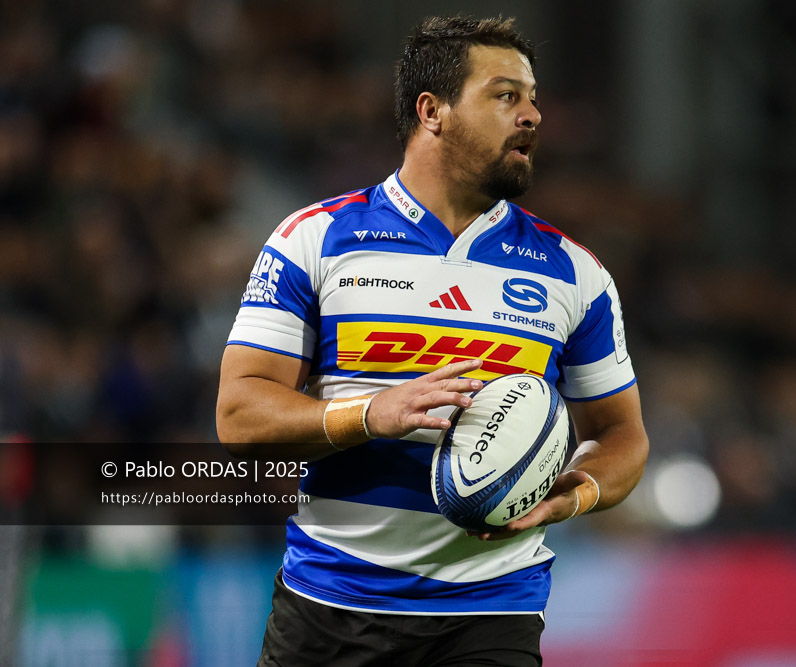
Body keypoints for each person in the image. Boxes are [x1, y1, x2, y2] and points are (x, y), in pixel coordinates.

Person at [216, 15, 648, 667]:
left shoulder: (575, 273)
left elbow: (623, 434)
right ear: (433, 111)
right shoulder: (314, 238)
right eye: (506, 95)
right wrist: (369, 414)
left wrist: (577, 490)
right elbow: (238, 412)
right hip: (332, 608)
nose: (532, 114)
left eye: (533, 98)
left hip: (492, 613)